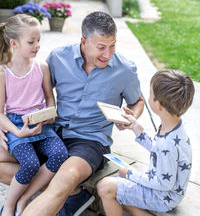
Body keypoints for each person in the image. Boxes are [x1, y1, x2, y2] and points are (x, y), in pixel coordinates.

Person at [0, 11, 144, 216]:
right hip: (51, 132)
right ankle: (75, 195)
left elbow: (137, 101)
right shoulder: (58, 58)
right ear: (84, 41)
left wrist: (131, 117)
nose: (108, 53)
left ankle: (44, 199)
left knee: (64, 178)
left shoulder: (125, 70)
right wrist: (5, 127)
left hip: (89, 142)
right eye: (101, 47)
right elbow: (34, 94)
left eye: (113, 45)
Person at [97, 69, 195, 216]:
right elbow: (159, 152)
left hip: (162, 196)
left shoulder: (167, 143)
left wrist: (131, 173)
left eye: (150, 94)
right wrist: (138, 130)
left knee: (105, 187)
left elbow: (163, 183)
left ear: (159, 105)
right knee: (118, 186)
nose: (148, 96)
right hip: (170, 193)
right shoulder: (175, 127)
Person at [0, 14, 68, 216]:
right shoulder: (3, 74)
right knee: (30, 163)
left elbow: (50, 100)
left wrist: (48, 115)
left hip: (42, 124)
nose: (37, 45)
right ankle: (10, 204)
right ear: (14, 43)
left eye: (39, 40)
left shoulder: (42, 68)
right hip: (17, 126)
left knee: (60, 154)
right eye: (31, 41)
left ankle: (24, 198)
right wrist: (17, 133)